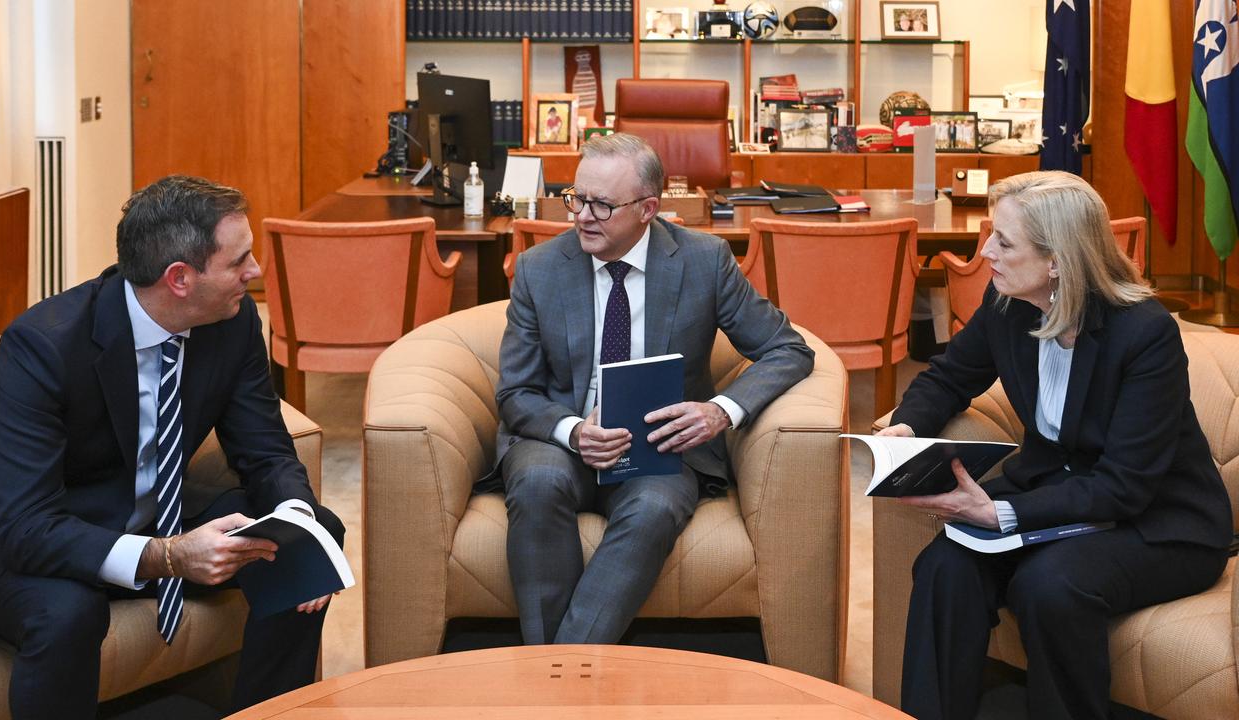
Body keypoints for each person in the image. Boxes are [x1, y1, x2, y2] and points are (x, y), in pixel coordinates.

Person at [0, 175, 346, 719]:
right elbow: (26, 526)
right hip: (11, 537)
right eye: (240, 261)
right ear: (180, 278)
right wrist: (168, 556)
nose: (255, 273)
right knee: (67, 611)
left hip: (146, 514)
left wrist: (295, 523)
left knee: (314, 531)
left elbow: (266, 450)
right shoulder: (42, 347)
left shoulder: (230, 326)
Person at [880, 171, 1231, 720]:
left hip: (1158, 524)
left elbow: (1125, 486)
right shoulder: (1007, 306)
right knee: (945, 565)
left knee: (1051, 586)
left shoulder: (1143, 334)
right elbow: (947, 378)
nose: (986, 253)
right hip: (1056, 499)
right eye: (989, 235)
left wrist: (999, 511)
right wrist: (907, 426)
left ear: (1059, 261)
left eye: (1004, 241)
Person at [491, 132, 813, 645]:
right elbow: (516, 393)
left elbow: (787, 349)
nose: (582, 216)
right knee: (536, 483)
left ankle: (559, 671)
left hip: (662, 446)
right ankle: (554, 673)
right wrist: (574, 431)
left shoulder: (704, 261)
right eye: (576, 199)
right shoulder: (540, 269)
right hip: (561, 439)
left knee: (655, 506)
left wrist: (720, 411)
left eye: (601, 205)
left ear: (648, 208)